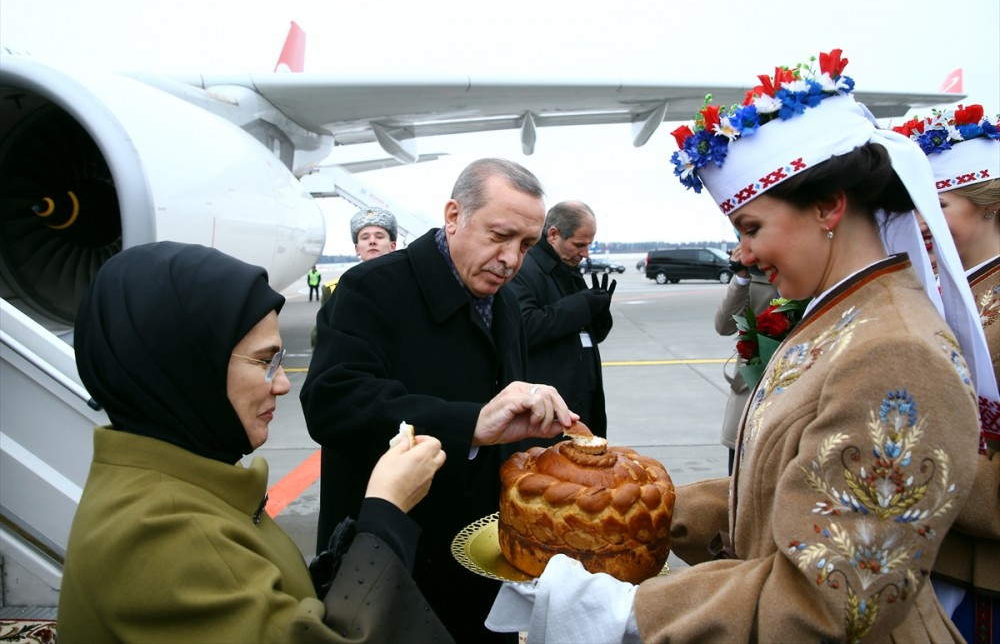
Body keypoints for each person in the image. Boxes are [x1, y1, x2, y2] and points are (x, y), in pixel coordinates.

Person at [487, 49, 991, 642]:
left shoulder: (894, 350)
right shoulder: (844, 315)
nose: (743, 255)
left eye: (752, 228)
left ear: (830, 205)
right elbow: (789, 494)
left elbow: (830, 599)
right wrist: (633, 511)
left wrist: (624, 614)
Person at [58, 241, 452, 643]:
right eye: (265, 362)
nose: (282, 384)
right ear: (188, 367)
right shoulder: (159, 532)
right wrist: (385, 513)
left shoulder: (176, 481)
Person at [301, 158, 579, 642]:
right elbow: (331, 400)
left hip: (485, 558)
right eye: (500, 236)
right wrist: (469, 423)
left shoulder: (506, 301)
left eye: (526, 245)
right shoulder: (372, 288)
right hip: (393, 559)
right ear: (454, 216)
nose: (512, 259)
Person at [894, 104, 1000, 643]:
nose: (920, 223)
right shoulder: (953, 293)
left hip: (984, 572)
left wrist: (908, 464)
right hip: (945, 552)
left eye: (938, 205)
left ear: (989, 206)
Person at [507, 200, 614, 444]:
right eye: (579, 244)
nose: (585, 253)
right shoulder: (525, 269)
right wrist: (582, 305)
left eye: (589, 244)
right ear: (553, 234)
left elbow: (584, 334)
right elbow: (525, 327)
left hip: (582, 400)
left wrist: (600, 315)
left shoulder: (568, 268)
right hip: (548, 413)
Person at [713, 245, 776, 474]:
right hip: (749, 394)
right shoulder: (753, 280)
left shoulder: (807, 279)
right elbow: (723, 325)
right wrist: (741, 276)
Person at [309, 207, 399, 348]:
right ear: (357, 249)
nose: (372, 241)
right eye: (365, 237)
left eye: (379, 236)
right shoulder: (334, 290)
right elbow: (321, 342)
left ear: (393, 246)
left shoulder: (409, 285)